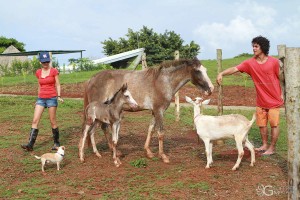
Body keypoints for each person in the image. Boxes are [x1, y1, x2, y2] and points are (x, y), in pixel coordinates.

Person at [216, 36, 284, 155]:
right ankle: (264, 145)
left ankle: (272, 148)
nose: (253, 48)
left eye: (256, 46)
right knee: (261, 124)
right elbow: (235, 68)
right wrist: (222, 73)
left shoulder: (274, 62)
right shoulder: (250, 63)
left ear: (263, 47)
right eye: (253, 46)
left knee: (274, 124)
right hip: (261, 100)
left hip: (274, 100)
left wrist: (283, 94)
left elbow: (282, 79)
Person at [21, 51, 64, 151]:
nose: (46, 64)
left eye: (47, 62)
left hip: (51, 98)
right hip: (41, 98)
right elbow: (39, 85)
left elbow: (57, 84)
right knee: (35, 120)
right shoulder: (38, 72)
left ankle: (56, 143)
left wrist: (59, 95)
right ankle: (30, 145)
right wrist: (38, 98)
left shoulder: (54, 71)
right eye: (44, 62)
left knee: (52, 121)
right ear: (40, 62)